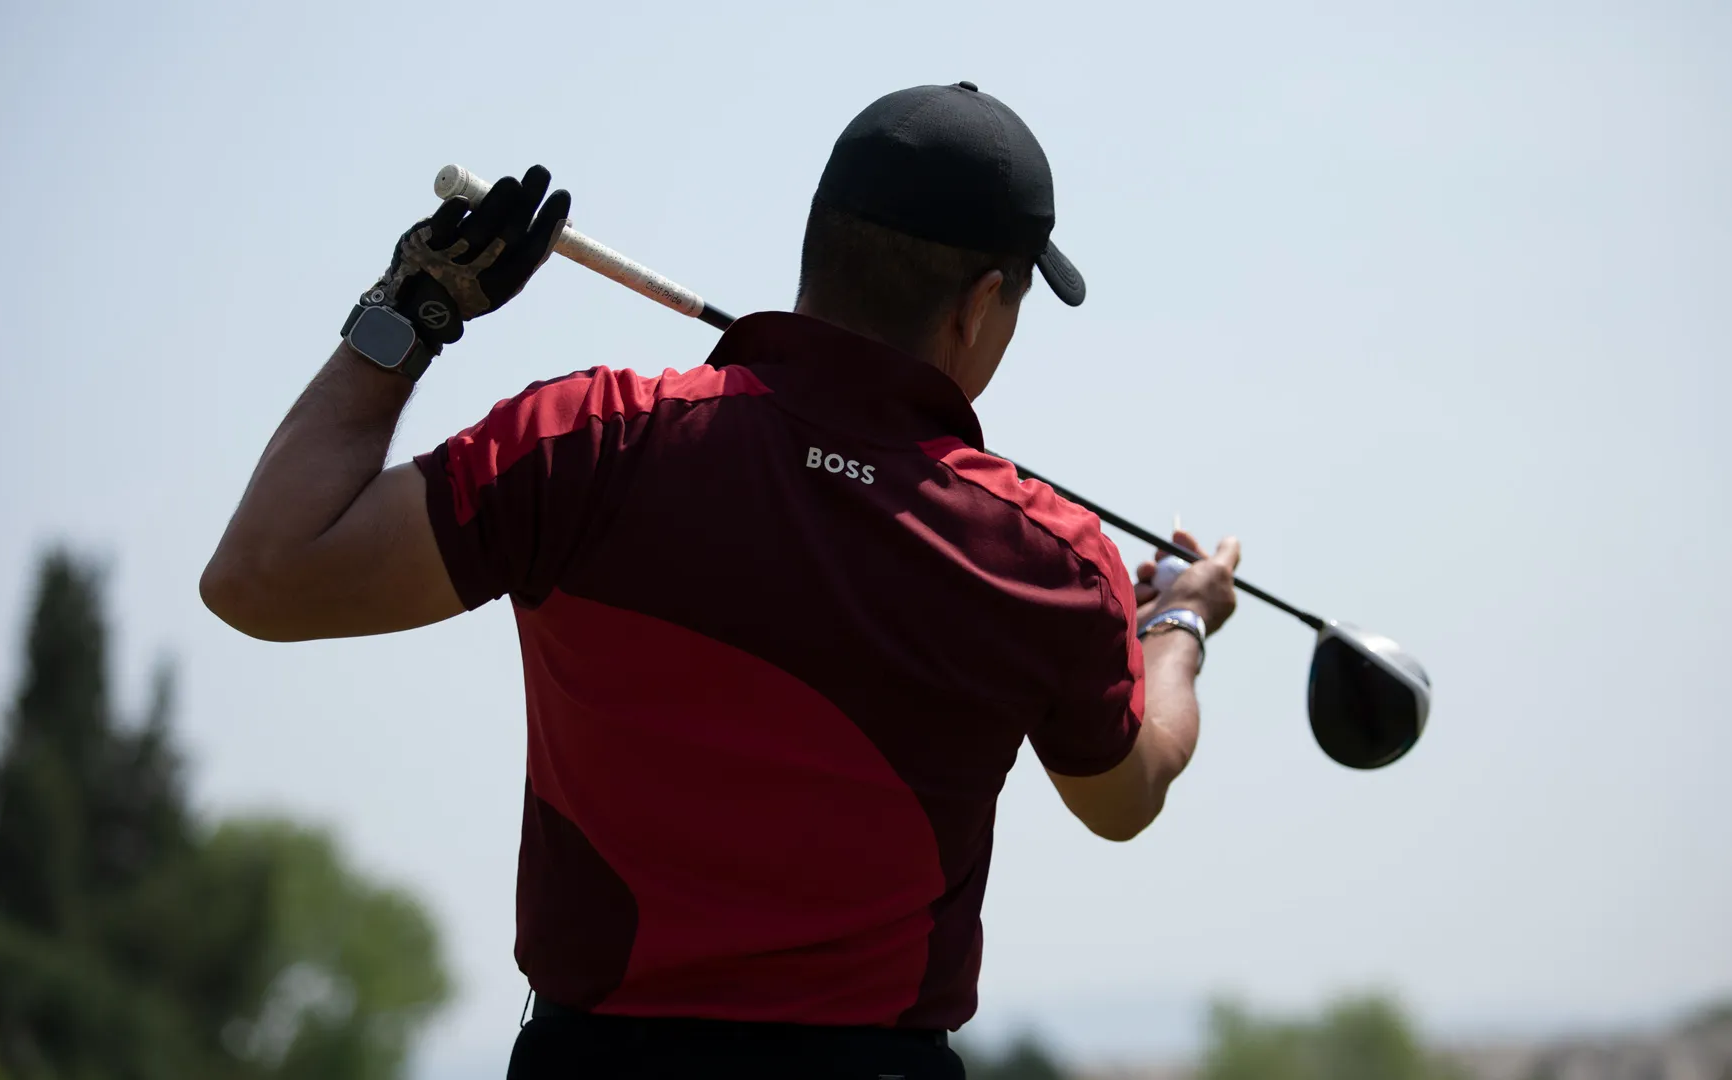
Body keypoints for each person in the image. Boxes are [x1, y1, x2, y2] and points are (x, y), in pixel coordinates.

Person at [201, 81, 1241, 1079]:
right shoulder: (1048, 558)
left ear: (818, 251)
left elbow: (262, 577)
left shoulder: (589, 442)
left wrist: (412, 309)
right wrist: (1181, 624)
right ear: (977, 309)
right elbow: (1125, 797)